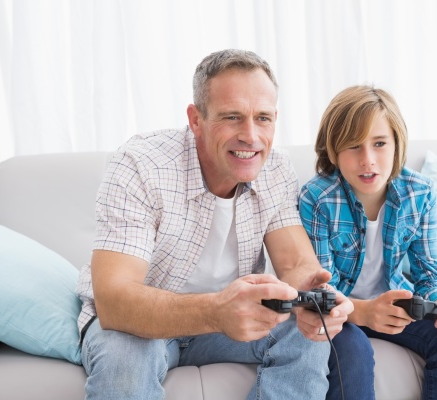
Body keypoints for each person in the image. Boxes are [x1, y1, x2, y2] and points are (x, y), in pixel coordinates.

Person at [74, 49, 361, 400]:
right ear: (196, 119)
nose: (251, 136)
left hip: (231, 321)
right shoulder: (140, 165)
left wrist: (317, 299)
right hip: (139, 325)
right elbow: (114, 301)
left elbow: (297, 264)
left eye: (263, 118)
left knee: (307, 335)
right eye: (232, 117)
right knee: (126, 360)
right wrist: (215, 312)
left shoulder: (276, 169)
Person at [299, 85, 437, 400]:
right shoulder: (317, 199)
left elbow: (428, 271)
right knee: (353, 352)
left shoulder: (419, 192)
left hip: (394, 305)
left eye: (380, 143)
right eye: (353, 146)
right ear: (333, 151)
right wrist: (363, 311)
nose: (368, 160)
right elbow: (317, 292)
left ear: (397, 144)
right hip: (341, 313)